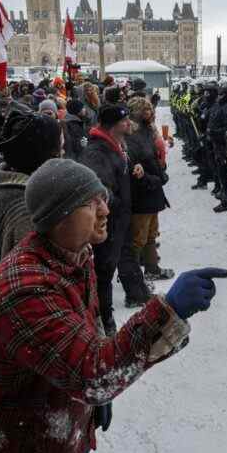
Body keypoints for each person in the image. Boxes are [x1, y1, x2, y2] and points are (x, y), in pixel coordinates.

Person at [0, 158, 227, 453]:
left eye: (102, 198)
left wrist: (89, 404)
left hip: (53, 431)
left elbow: (84, 343)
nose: (105, 210)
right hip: (14, 443)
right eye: (90, 204)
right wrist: (169, 311)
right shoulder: (24, 289)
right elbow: (92, 374)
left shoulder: (74, 256)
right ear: (58, 216)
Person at [0, 110, 63, 372]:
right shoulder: (26, 211)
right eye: (59, 149)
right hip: (20, 360)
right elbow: (35, 307)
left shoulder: (3, 188)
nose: (63, 154)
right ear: (46, 156)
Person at [82, 104, 150, 331]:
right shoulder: (97, 151)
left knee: (124, 256)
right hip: (108, 223)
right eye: (124, 121)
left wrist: (134, 167)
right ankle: (105, 320)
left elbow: (118, 170)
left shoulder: (116, 145)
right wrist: (117, 206)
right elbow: (100, 189)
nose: (129, 123)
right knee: (104, 271)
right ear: (113, 126)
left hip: (120, 220)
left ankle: (136, 293)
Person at [126, 97, 174, 281]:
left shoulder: (146, 130)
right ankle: (133, 279)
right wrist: (152, 178)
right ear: (137, 112)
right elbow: (135, 166)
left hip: (152, 189)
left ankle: (152, 269)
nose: (151, 112)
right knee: (139, 237)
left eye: (150, 109)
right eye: (145, 110)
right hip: (142, 192)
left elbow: (153, 157)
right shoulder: (131, 136)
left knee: (151, 233)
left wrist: (160, 173)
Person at [207, 79, 227, 213]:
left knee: (224, 173)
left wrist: (214, 132)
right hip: (216, 144)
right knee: (220, 171)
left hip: (225, 145)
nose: (219, 95)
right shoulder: (220, 104)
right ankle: (224, 194)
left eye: (222, 93)